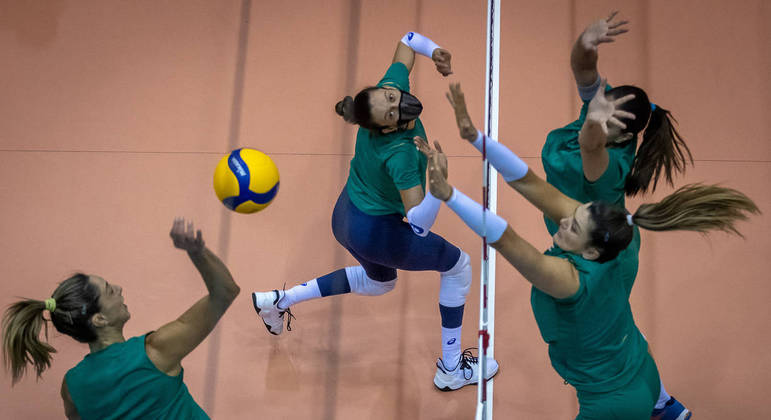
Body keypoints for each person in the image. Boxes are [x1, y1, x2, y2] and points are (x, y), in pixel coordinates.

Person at [414, 84, 758, 419]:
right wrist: (474, 136)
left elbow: (506, 239)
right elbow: (527, 180)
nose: (562, 223)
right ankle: (664, 407)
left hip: (611, 404)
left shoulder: (569, 280)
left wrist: (449, 195)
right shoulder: (610, 240)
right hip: (640, 370)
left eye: (572, 227)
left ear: (591, 253)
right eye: (572, 215)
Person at [251, 31, 498, 391]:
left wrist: (435, 52)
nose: (399, 103)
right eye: (394, 111)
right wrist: (437, 185)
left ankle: (278, 300)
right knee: (458, 266)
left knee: (380, 282)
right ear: (386, 126)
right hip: (375, 229)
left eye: (393, 97)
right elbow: (418, 226)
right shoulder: (400, 154)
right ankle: (450, 368)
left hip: (347, 215)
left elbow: (407, 40)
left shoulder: (383, 93)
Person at [544, 12, 694, 418]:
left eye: (605, 117)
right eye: (600, 108)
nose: (597, 113)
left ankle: (656, 403)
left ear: (624, 137)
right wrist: (586, 42)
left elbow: (590, 143)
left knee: (607, 327)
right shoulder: (602, 111)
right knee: (613, 325)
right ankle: (665, 405)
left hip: (602, 246)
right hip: (593, 234)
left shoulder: (606, 166)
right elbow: (581, 67)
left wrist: (594, 116)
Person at [2, 218, 240, 419]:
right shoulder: (155, 351)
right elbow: (225, 292)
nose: (119, 288)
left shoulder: (72, 387)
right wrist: (197, 252)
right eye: (108, 290)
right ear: (99, 320)